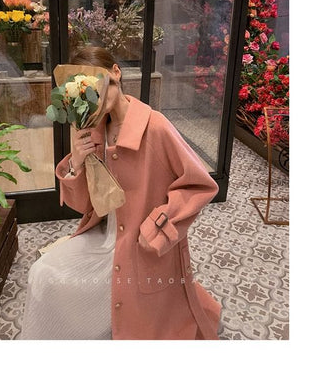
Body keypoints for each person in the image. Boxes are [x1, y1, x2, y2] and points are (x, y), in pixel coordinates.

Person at [21, 46, 221, 340]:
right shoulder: (92, 128)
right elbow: (84, 206)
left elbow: (200, 185)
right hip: (103, 234)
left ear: (116, 72)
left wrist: (158, 227)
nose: (96, 96)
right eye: (86, 91)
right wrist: (77, 163)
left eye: (99, 83)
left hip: (139, 244)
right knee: (42, 272)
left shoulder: (155, 127)